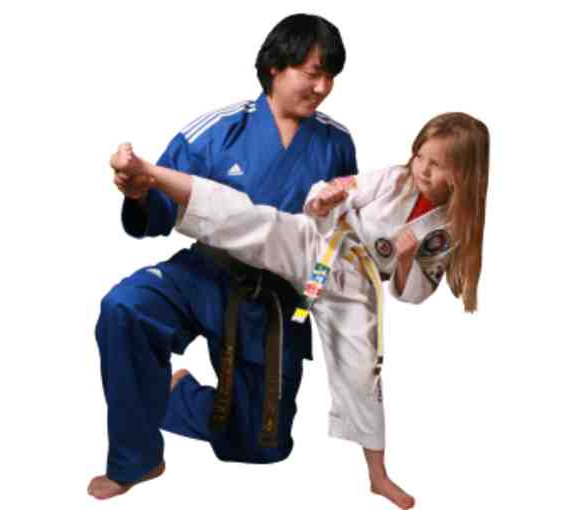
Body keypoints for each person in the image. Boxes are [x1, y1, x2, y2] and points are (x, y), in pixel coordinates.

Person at [109, 111, 491, 509]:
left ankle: (378, 477)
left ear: (463, 174)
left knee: (363, 372)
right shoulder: (394, 179)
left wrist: (407, 259)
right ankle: (150, 173)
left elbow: (412, 294)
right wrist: (323, 198)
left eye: (437, 165)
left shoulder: (447, 230)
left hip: (353, 286)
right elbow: (341, 190)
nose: (422, 169)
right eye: (420, 156)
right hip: (320, 244)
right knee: (249, 220)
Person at [89, 14, 358, 501]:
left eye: (331, 76)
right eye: (313, 73)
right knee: (125, 307)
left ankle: (175, 394)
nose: (323, 87)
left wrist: (313, 301)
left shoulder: (336, 143)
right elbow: (159, 207)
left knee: (260, 448)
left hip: (274, 298)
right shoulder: (219, 131)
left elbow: (337, 238)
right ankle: (136, 459)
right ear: (275, 66)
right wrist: (136, 192)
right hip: (204, 272)